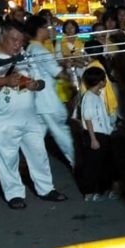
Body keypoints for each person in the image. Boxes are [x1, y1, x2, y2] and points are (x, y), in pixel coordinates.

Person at [0, 20, 67, 209]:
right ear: (2, 36)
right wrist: (5, 80)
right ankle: (14, 194)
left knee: (39, 154)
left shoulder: (25, 55)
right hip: (3, 119)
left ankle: (46, 189)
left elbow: (40, 81)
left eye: (21, 41)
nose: (17, 44)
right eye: (13, 40)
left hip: (30, 116)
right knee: (7, 158)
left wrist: (34, 85)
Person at [24, 16, 75, 168]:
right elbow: (57, 73)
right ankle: (79, 164)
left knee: (36, 136)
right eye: (47, 27)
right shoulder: (40, 50)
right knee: (63, 135)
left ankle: (32, 166)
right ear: (40, 29)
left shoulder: (30, 48)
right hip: (48, 101)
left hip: (38, 101)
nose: (49, 30)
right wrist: (69, 72)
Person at [76, 66, 117, 201]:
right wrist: (93, 139)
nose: (105, 81)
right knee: (93, 165)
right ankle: (89, 193)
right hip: (95, 135)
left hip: (103, 134)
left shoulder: (97, 95)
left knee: (105, 163)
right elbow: (88, 119)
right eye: (104, 79)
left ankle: (104, 189)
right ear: (100, 82)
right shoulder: (89, 97)